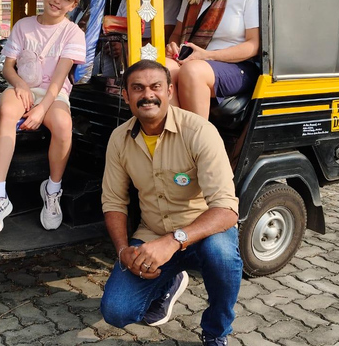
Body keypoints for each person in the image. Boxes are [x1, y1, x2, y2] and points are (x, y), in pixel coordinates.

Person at [100, 60, 242, 346]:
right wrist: (123, 250)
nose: (147, 95)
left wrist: (174, 241)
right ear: (126, 95)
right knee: (116, 312)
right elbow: (114, 202)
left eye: (155, 87)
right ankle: (170, 279)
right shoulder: (119, 139)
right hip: (152, 234)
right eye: (137, 88)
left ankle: (216, 332)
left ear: (169, 91)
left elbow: (227, 211)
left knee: (224, 257)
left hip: (204, 232)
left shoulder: (199, 131)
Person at [0, 0, 87, 234]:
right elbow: (8, 67)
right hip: (23, 87)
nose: (57, 0)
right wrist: (19, 84)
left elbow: (59, 79)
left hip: (53, 94)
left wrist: (42, 109)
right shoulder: (23, 26)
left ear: (73, 5)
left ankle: (52, 189)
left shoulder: (73, 32)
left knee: (63, 124)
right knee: (7, 110)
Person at [165, 0, 260, 119]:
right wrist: (172, 46)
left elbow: (254, 45)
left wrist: (208, 56)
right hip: (194, 59)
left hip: (238, 66)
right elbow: (177, 33)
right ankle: (176, 136)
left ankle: (199, 142)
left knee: (192, 71)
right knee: (160, 69)